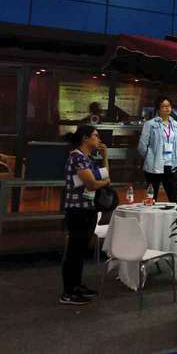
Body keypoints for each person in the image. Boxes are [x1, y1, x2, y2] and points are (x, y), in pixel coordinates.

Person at [61, 125, 111, 305]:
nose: (99, 139)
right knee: (74, 251)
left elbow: (104, 174)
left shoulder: (88, 159)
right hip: (77, 209)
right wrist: (105, 182)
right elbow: (92, 184)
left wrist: (105, 157)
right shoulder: (77, 158)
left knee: (81, 251)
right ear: (85, 138)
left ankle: (77, 285)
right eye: (96, 135)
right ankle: (68, 292)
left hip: (88, 208)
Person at [138, 96, 177, 203]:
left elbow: (175, 144)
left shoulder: (174, 124)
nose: (167, 108)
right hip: (154, 166)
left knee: (174, 198)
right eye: (164, 106)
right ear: (158, 109)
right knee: (152, 199)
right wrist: (151, 157)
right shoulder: (150, 124)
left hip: (171, 165)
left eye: (169, 105)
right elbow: (142, 146)